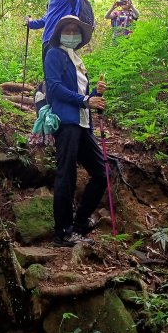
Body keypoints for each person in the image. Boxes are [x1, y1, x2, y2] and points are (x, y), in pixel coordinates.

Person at [44, 16, 107, 247]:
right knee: (66, 175)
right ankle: (62, 232)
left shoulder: (77, 61)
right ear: (60, 33)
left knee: (102, 173)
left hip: (83, 124)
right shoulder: (55, 55)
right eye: (67, 30)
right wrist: (85, 99)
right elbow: (55, 88)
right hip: (66, 123)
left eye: (75, 30)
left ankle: (80, 223)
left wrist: (95, 93)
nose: (71, 33)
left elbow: (82, 93)